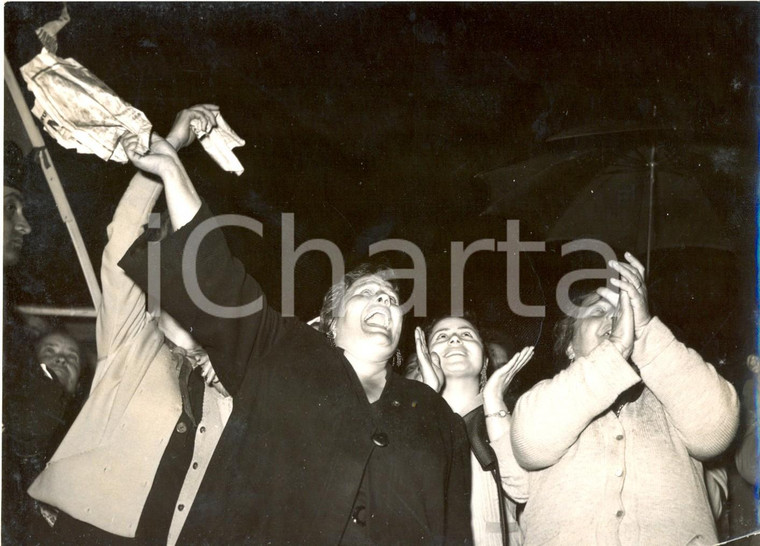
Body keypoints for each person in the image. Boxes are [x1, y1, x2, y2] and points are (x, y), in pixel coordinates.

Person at [114, 114, 472, 544]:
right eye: (367, 292)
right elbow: (218, 278)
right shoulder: (280, 351)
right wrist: (172, 169)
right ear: (330, 321)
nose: (384, 300)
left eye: (392, 300)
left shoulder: (437, 418)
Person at [27, 107, 233, 546]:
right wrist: (170, 147)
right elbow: (123, 238)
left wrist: (232, 376)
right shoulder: (132, 339)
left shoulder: (227, 384)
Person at [509, 252, 740, 545]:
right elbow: (530, 444)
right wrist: (616, 347)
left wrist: (645, 331)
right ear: (569, 346)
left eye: (623, 310)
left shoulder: (673, 394)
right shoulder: (548, 396)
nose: (614, 317)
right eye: (597, 312)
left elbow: (715, 432)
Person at [414, 315, 532, 546]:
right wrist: (425, 393)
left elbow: (522, 488)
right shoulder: (405, 417)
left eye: (467, 334)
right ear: (424, 359)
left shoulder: (516, 414)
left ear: (486, 362)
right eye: (442, 336)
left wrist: (494, 400)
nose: (455, 339)